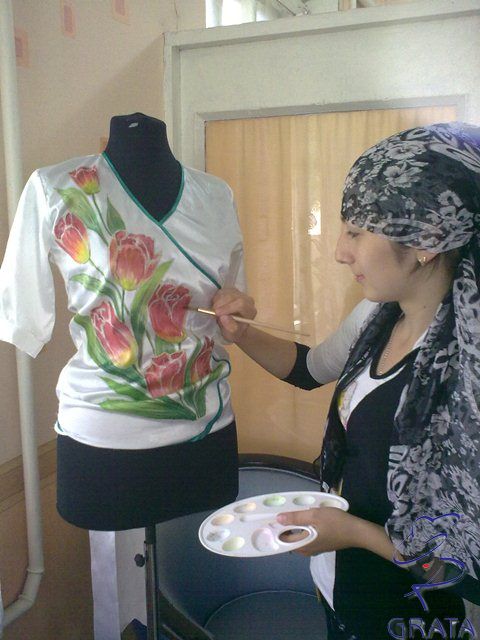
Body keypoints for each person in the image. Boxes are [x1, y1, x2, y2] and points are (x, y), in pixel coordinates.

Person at [211, 122, 480, 639]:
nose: (339, 251)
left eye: (356, 232)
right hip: (337, 589)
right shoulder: (376, 317)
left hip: (406, 616)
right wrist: (239, 333)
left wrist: (354, 533)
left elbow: (463, 563)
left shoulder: (468, 367)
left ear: (425, 240)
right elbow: (309, 368)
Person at [0, 113, 245, 530]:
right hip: (102, 437)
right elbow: (21, 308)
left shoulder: (216, 195)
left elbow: (232, 316)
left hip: (205, 427)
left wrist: (236, 315)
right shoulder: (53, 188)